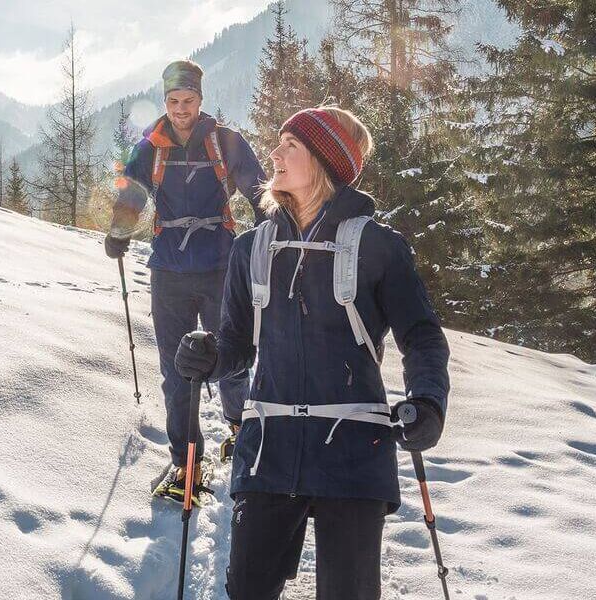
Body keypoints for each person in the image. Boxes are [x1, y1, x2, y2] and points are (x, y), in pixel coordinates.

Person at [173, 106, 450, 599]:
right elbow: (237, 346)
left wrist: (427, 401)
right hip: (269, 452)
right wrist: (210, 356)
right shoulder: (251, 249)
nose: (274, 153)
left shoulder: (379, 247)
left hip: (354, 452)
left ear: (323, 161)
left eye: (290, 145)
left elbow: (422, 337)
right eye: (278, 142)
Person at [104, 59, 267, 504]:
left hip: (221, 268)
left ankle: (240, 429)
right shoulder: (150, 145)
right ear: (165, 100)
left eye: (188, 100)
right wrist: (119, 232)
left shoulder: (226, 142)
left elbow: (258, 190)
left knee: (232, 361)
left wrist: (276, 226)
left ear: (200, 98)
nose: (180, 109)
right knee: (176, 372)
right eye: (174, 101)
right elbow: (132, 193)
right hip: (169, 271)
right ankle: (186, 463)